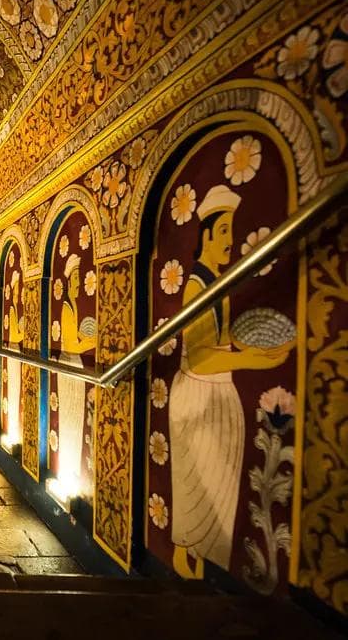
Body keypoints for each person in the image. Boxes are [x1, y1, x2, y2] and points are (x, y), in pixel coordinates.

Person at [168, 184, 292, 579]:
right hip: (198, 396)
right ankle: (184, 561)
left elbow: (219, 340)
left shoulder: (215, 286)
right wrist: (252, 358)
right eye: (224, 234)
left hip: (219, 397)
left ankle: (204, 569)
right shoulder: (194, 286)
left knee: (217, 491)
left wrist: (253, 345)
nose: (230, 243)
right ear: (206, 235)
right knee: (198, 491)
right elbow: (201, 354)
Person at [57, 252, 96, 491]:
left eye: (80, 282)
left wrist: (87, 338)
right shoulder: (66, 308)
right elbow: (72, 344)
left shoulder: (71, 307)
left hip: (74, 366)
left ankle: (69, 469)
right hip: (69, 365)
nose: (78, 286)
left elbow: (75, 337)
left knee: (74, 418)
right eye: (75, 282)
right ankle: (69, 470)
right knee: (71, 417)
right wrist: (95, 340)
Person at [3, 271, 24, 443]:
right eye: (16, 292)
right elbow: (14, 335)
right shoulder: (11, 310)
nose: (19, 296)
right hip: (12, 355)